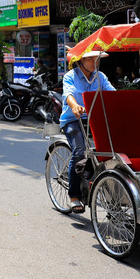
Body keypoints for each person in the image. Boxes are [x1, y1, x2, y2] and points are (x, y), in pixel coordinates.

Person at [59, 49, 115, 214]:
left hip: (95, 119)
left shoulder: (100, 76)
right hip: (73, 120)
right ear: (80, 61)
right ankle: (74, 196)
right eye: (89, 59)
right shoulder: (70, 76)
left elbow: (112, 93)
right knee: (80, 152)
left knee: (111, 151)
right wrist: (75, 105)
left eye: (95, 59)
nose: (94, 62)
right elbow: (68, 94)